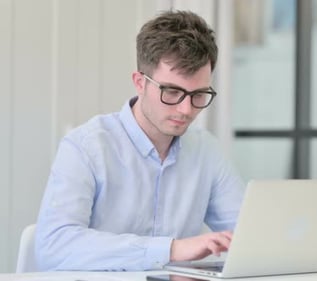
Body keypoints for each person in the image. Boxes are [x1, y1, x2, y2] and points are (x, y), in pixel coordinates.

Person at [35, 10, 245, 271]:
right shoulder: (86, 146)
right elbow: (53, 247)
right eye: (172, 92)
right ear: (139, 83)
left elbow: (248, 236)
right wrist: (172, 249)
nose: (186, 110)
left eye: (199, 95)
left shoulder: (206, 151)